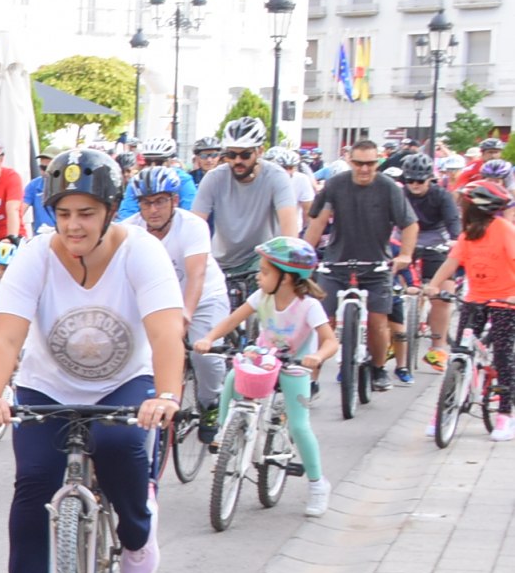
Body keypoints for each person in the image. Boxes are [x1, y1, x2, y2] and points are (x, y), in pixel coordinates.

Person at [0, 150, 185, 573]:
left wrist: (168, 393)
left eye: (86, 213)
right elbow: (6, 336)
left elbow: (165, 333)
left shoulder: (141, 252)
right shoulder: (35, 255)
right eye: (63, 213)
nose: (73, 226)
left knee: (121, 450)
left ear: (111, 210)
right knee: (33, 480)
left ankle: (136, 535)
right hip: (47, 383)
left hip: (122, 381)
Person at [196, 238, 339, 514]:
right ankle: (226, 434)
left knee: (299, 426)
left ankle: (318, 483)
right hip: (262, 359)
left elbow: (330, 341)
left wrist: (317, 357)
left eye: (264, 272)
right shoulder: (262, 297)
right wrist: (209, 338)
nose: (259, 277)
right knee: (231, 380)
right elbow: (232, 320)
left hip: (294, 366)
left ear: (286, 278)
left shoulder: (308, 306)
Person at [303, 136, 418, 389]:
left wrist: (405, 255)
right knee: (324, 320)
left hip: (376, 264)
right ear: (349, 160)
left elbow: (409, 224)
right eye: (358, 163)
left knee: (378, 322)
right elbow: (318, 222)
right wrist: (304, 256)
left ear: (378, 162)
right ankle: (311, 379)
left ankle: (378, 370)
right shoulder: (334, 185)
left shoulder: (388, 187)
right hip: (336, 262)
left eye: (370, 163)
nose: (364, 169)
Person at [132, 166, 228, 441]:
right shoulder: (130, 230)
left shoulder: (193, 226)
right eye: (146, 203)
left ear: (174, 201)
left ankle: (211, 403)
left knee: (204, 354)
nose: (153, 210)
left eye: (160, 201)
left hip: (203, 297)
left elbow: (196, 274)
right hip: (159, 302)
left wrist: (185, 315)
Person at [420, 180, 515, 440]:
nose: (460, 208)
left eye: (463, 204)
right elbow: (452, 262)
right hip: (474, 299)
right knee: (459, 352)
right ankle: (444, 409)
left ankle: (505, 415)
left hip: (504, 301)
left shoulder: (504, 229)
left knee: (503, 356)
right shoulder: (469, 233)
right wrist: (434, 286)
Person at [192, 117, 302, 305]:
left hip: (260, 257)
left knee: (264, 308)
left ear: (260, 151)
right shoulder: (213, 178)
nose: (237, 161)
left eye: (245, 155)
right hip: (221, 260)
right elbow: (194, 225)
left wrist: (289, 264)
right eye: (231, 155)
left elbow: (289, 228)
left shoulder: (276, 177)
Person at [391, 153, 458, 367]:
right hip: (404, 242)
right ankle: (394, 339)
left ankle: (437, 348)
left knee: (442, 295)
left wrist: (456, 240)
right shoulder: (399, 195)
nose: (415, 185)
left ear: (430, 178)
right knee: (393, 291)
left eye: (420, 180)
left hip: (435, 241)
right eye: (410, 180)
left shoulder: (442, 196)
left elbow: (453, 222)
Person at [23, 152, 57, 234]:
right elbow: (20, 210)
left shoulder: (67, 186)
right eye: (42, 167)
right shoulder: (34, 185)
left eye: (49, 168)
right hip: (41, 237)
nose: (45, 172)